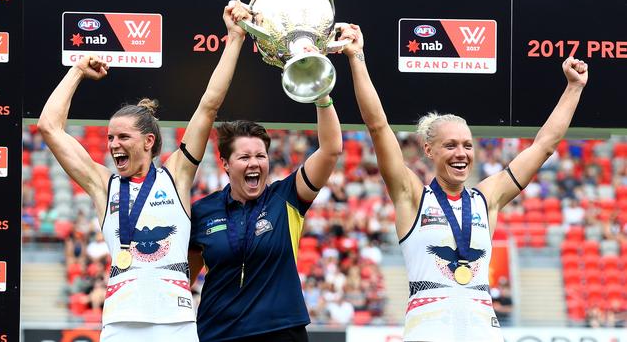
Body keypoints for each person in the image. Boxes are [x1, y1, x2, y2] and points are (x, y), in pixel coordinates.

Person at [340, 24, 588, 341]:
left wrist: (574, 88)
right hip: (428, 330)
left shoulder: (488, 198)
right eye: (451, 145)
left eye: (468, 145)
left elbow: (543, 146)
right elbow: (377, 126)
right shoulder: (412, 196)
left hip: (483, 329)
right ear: (428, 150)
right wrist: (356, 57)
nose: (461, 154)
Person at [37, 1, 251, 341]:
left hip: (176, 325)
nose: (113, 144)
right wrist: (77, 69)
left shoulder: (176, 175)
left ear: (149, 140)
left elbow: (209, 103)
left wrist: (235, 38)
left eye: (123, 136)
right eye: (109, 137)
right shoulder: (103, 186)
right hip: (120, 324)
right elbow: (49, 127)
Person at [189, 97, 342, 339]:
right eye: (244, 157)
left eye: (261, 156)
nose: (254, 163)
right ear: (225, 164)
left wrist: (322, 98)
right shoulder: (202, 211)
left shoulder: (287, 196)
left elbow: (331, 150)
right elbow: (182, 278)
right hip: (217, 333)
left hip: (281, 331)